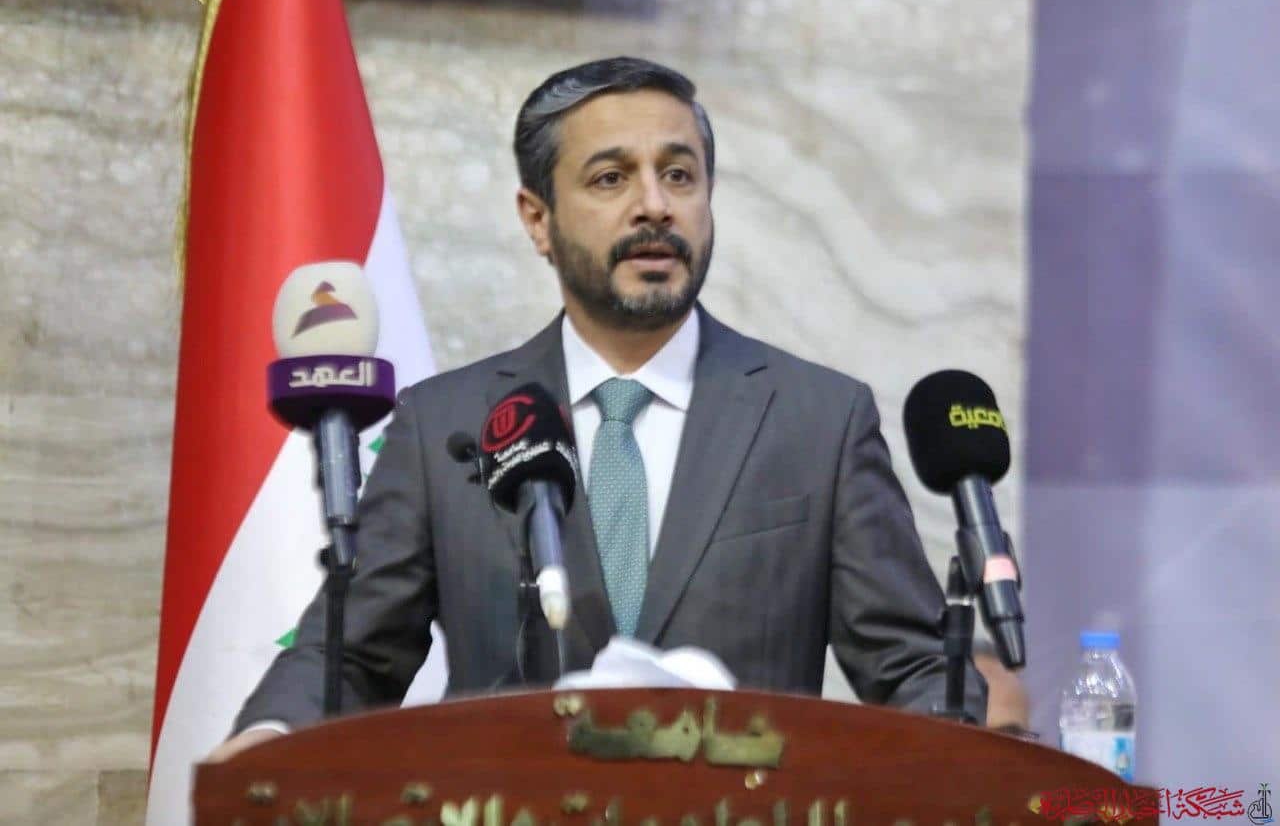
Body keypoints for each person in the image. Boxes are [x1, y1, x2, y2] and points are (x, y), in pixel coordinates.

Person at [210, 57, 986, 761]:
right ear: (537, 218)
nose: (655, 206)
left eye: (679, 175)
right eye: (612, 178)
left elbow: (914, 668)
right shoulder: (444, 424)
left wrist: (952, 757)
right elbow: (350, 656)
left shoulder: (818, 420)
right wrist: (270, 737)